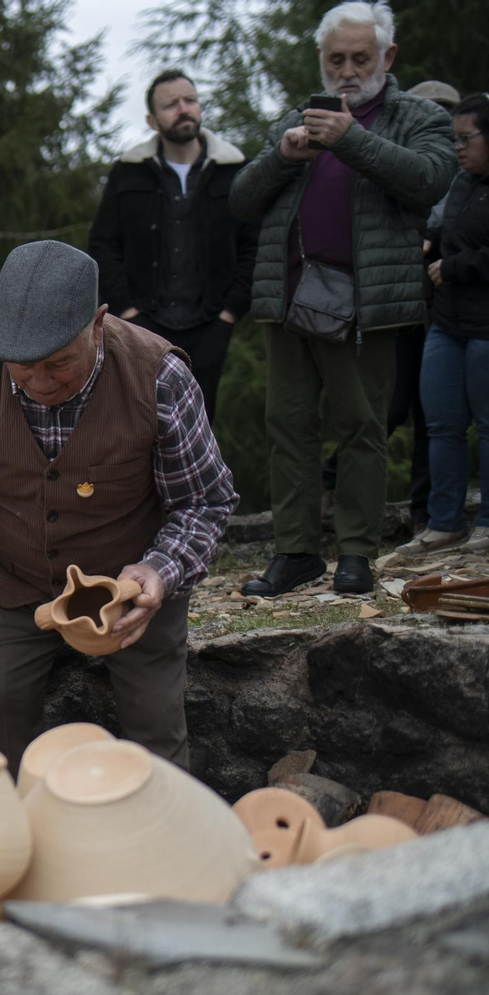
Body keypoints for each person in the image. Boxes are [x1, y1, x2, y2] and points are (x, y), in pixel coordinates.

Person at [0, 240, 238, 774]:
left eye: (60, 362)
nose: (40, 384)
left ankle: (159, 842)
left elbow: (204, 500)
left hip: (128, 591)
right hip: (15, 581)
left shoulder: (158, 376)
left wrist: (161, 569)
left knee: (155, 727)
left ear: (99, 323)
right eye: (21, 368)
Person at [230, 1, 455, 597]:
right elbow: (241, 200)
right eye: (336, 59)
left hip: (365, 303)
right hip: (291, 296)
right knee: (289, 425)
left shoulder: (416, 117)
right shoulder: (294, 117)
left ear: (388, 56)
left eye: (361, 58)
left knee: (361, 426)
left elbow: (428, 179)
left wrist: (351, 139)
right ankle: (296, 552)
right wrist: (282, 156)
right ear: (322, 61)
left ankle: (356, 553)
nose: (348, 70)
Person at [322, 80, 462, 538]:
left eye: (448, 113)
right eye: (431, 109)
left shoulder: (463, 174)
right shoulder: (386, 156)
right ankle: (334, 489)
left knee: (435, 417)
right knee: (389, 408)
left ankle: (424, 513)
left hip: (450, 309)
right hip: (399, 305)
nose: (440, 120)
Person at [89, 68, 258, 422]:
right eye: (171, 105)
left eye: (190, 100)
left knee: (199, 426)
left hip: (211, 323)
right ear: (152, 120)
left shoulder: (234, 169)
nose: (183, 109)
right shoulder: (129, 171)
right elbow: (104, 245)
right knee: (139, 425)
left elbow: (252, 246)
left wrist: (229, 314)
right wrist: (129, 314)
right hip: (144, 325)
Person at [400, 92, 489, 553]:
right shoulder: (461, 182)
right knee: (441, 425)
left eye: (466, 138)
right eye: (454, 139)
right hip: (446, 321)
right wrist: (431, 242)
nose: (458, 147)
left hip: (484, 326)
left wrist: (454, 267)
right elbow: (443, 226)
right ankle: (444, 522)